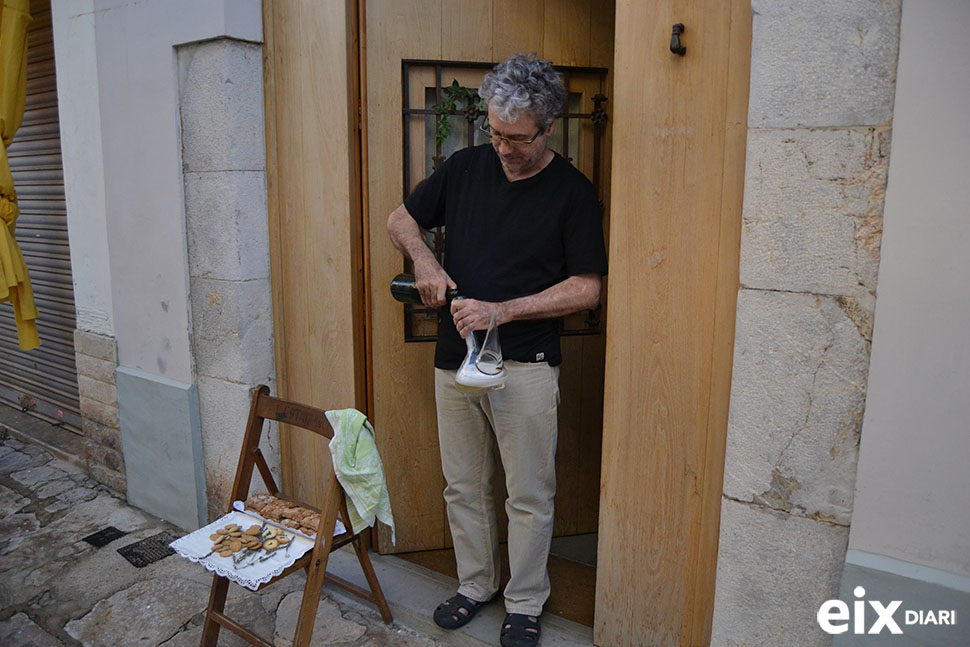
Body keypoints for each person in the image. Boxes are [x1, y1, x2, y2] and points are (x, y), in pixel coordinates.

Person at [387, 53, 607, 647]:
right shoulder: (464, 167)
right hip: (455, 357)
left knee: (529, 491)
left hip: (527, 362)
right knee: (463, 483)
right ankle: (475, 584)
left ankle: (526, 600)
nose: (504, 148)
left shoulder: (573, 193)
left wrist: (501, 311)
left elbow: (588, 288)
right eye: (495, 133)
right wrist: (426, 259)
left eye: (517, 138)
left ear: (548, 127)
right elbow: (401, 218)